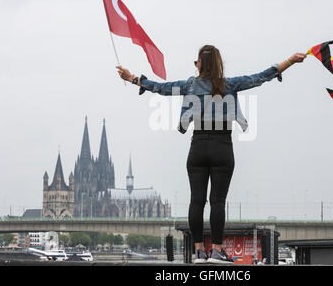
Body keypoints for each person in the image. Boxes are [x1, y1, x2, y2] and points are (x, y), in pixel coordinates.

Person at [117, 45, 306, 264]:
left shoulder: (189, 85)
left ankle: (198, 252)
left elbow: (161, 88)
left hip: (197, 146)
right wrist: (290, 61)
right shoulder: (230, 84)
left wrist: (132, 78)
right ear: (218, 64)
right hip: (222, 146)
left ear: (200, 64)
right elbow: (260, 77)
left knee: (196, 201)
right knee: (217, 202)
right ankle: (216, 250)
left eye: (196, 61)